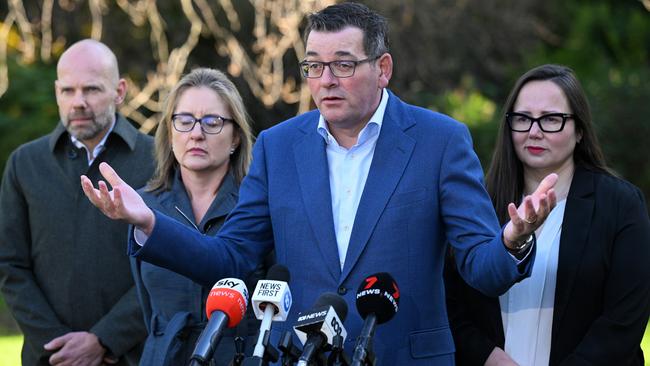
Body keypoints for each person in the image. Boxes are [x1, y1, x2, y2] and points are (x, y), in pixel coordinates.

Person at [81, 3, 557, 364]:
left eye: (344, 65)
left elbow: (481, 267)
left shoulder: (440, 141)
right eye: (314, 66)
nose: (326, 80)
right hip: (301, 354)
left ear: (383, 69)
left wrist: (514, 241)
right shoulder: (278, 146)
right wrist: (148, 221)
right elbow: (232, 258)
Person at [444, 64, 650, 366]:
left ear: (579, 129)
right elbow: (450, 304)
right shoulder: (478, 203)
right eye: (523, 119)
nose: (534, 131)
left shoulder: (620, 204)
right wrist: (488, 357)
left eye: (551, 119)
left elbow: (624, 321)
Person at [0, 39, 153, 365]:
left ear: (120, 91)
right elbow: (9, 265)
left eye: (92, 90)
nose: (78, 102)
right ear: (56, 92)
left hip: (135, 356)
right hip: (49, 358)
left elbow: (167, 266)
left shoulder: (157, 160)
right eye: (67, 91)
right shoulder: (25, 164)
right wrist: (57, 345)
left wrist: (105, 340)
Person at [131, 67, 263, 365]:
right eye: (184, 121)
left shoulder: (257, 203)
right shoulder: (144, 204)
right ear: (169, 132)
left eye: (212, 122)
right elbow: (146, 303)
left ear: (236, 139)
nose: (196, 134)